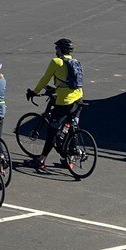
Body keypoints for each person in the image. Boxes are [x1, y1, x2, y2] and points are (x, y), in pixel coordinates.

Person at [26, 38, 84, 173]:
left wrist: (34, 92)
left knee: (52, 131)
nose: (55, 51)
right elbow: (69, 82)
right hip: (79, 99)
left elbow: (45, 79)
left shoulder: (56, 62)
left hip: (65, 101)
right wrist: (56, 89)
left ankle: (41, 160)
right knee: (70, 126)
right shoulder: (75, 62)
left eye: (57, 48)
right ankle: (70, 158)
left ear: (61, 50)